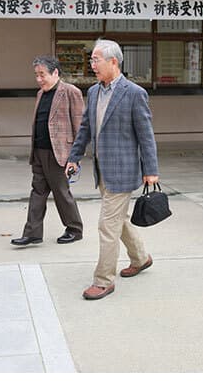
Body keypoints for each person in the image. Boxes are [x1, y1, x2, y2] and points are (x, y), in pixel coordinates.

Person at [66, 39, 160, 300]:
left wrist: (151, 169)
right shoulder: (94, 92)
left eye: (96, 60)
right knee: (119, 219)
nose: (92, 65)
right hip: (102, 169)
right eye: (91, 60)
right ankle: (140, 258)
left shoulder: (134, 93)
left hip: (123, 170)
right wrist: (75, 156)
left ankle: (103, 280)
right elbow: (86, 127)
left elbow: (146, 135)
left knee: (107, 225)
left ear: (113, 62)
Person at [11, 55, 85, 247]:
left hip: (59, 153)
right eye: (36, 75)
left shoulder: (71, 92)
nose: (39, 79)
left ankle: (74, 230)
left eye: (42, 74)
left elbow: (80, 127)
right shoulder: (40, 94)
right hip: (39, 151)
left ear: (55, 72)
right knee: (37, 192)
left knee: (61, 193)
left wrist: (75, 157)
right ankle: (32, 233)